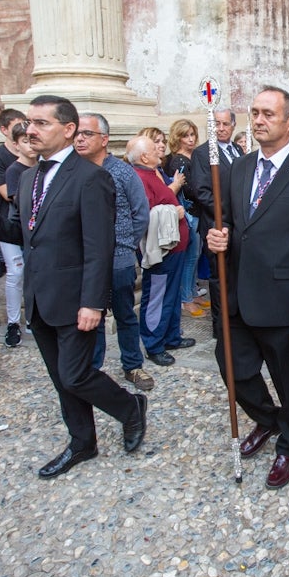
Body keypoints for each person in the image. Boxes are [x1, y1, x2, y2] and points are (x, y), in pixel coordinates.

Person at [0, 95, 148, 478]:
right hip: (39, 296)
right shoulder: (29, 176)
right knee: (60, 379)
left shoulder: (91, 178)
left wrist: (93, 303)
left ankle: (129, 407)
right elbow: (23, 233)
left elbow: (100, 245)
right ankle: (82, 442)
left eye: (41, 123)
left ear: (67, 130)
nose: (30, 130)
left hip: (76, 297)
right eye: (29, 122)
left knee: (76, 374)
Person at [206, 86, 289, 489]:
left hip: (284, 299)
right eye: (254, 113)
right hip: (239, 292)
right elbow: (234, 224)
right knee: (232, 366)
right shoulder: (240, 168)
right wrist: (218, 239)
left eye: (268, 114)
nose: (258, 120)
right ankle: (268, 419)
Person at [74, 113, 157, 392]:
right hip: (84, 262)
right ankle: (93, 368)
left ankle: (132, 365)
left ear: (104, 139)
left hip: (118, 259)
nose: (80, 138)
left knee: (124, 314)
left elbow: (140, 213)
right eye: (77, 133)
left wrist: (122, 243)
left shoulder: (122, 172)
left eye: (87, 133)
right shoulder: (71, 172)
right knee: (90, 315)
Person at [127, 134, 191, 366]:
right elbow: (145, 214)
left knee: (171, 295)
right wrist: (174, 212)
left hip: (174, 248)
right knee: (156, 296)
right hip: (162, 251)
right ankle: (154, 344)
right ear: (144, 156)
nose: (160, 150)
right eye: (155, 149)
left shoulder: (151, 173)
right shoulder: (139, 178)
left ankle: (171, 336)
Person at [191, 108, 243, 339]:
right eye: (216, 124)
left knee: (236, 273)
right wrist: (229, 213)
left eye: (225, 124)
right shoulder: (203, 153)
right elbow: (202, 192)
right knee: (218, 276)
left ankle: (237, 319)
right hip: (216, 222)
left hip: (238, 225)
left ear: (233, 126)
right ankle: (220, 326)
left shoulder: (238, 150)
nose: (221, 129)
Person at [165, 118, 203, 318]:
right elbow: (189, 189)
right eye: (185, 135)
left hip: (197, 211)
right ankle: (186, 298)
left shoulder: (192, 156)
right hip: (189, 211)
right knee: (190, 258)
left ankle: (193, 293)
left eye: (192, 134)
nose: (190, 139)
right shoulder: (179, 160)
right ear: (177, 138)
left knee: (195, 256)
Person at [1, 123, 35, 346]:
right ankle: (13, 322)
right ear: (16, 145)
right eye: (24, 141)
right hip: (15, 228)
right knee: (16, 272)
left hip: (33, 229)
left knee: (34, 272)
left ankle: (33, 317)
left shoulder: (43, 167)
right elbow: (19, 202)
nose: (30, 145)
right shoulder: (15, 170)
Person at [0, 107, 28, 281]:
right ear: (4, 130)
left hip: (30, 218)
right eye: (17, 126)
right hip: (9, 215)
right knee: (16, 270)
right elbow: (5, 193)